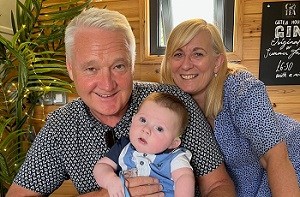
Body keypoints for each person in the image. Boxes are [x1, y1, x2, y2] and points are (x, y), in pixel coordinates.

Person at [6, 8, 236, 197]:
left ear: (132, 64)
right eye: (91, 68)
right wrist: (105, 195)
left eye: (118, 66)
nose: (107, 84)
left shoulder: (174, 103)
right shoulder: (62, 125)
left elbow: (218, 185)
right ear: (70, 69)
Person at [160, 18, 300, 196]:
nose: (186, 64)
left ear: (217, 62)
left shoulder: (241, 89)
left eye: (198, 54)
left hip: (290, 162)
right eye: (178, 54)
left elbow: (276, 159)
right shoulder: (169, 103)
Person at [94, 92, 194, 197]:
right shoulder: (123, 147)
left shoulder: (174, 158)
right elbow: (102, 166)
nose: (146, 129)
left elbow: (184, 177)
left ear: (173, 143)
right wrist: (110, 181)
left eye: (159, 128)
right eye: (143, 120)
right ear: (132, 120)